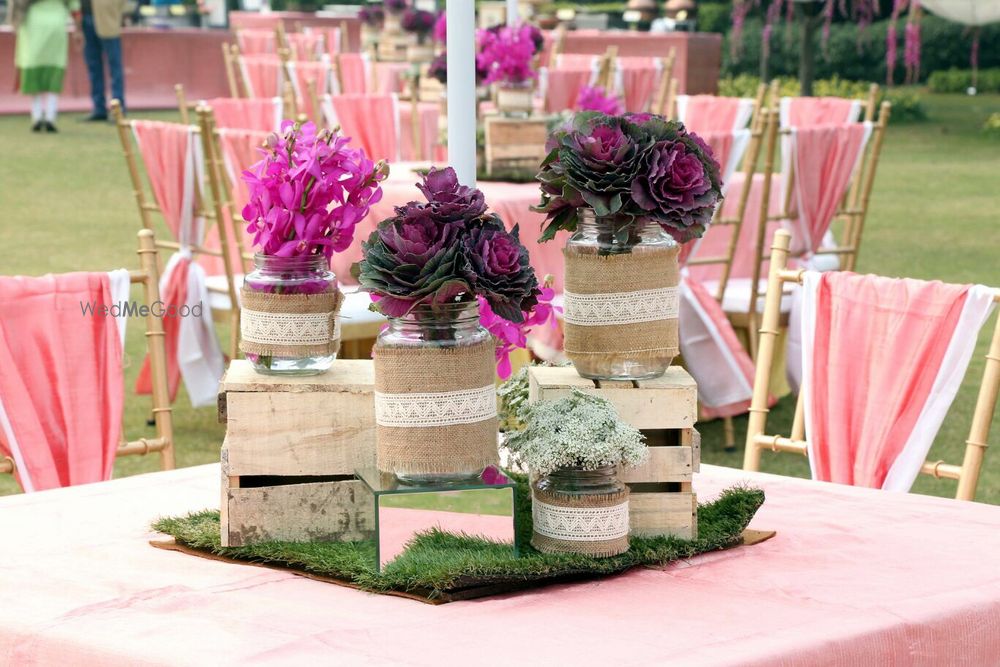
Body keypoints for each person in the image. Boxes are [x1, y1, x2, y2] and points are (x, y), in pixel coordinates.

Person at [8, 0, 77, 132]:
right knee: (55, 67)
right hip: (57, 22)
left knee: (33, 68)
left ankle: (37, 116)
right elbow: (75, 6)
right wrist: (79, 28)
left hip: (32, 21)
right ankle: (51, 116)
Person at [77, 0, 126, 121]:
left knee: (114, 67)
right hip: (86, 17)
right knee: (93, 67)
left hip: (108, 18)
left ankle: (117, 109)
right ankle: (98, 107)